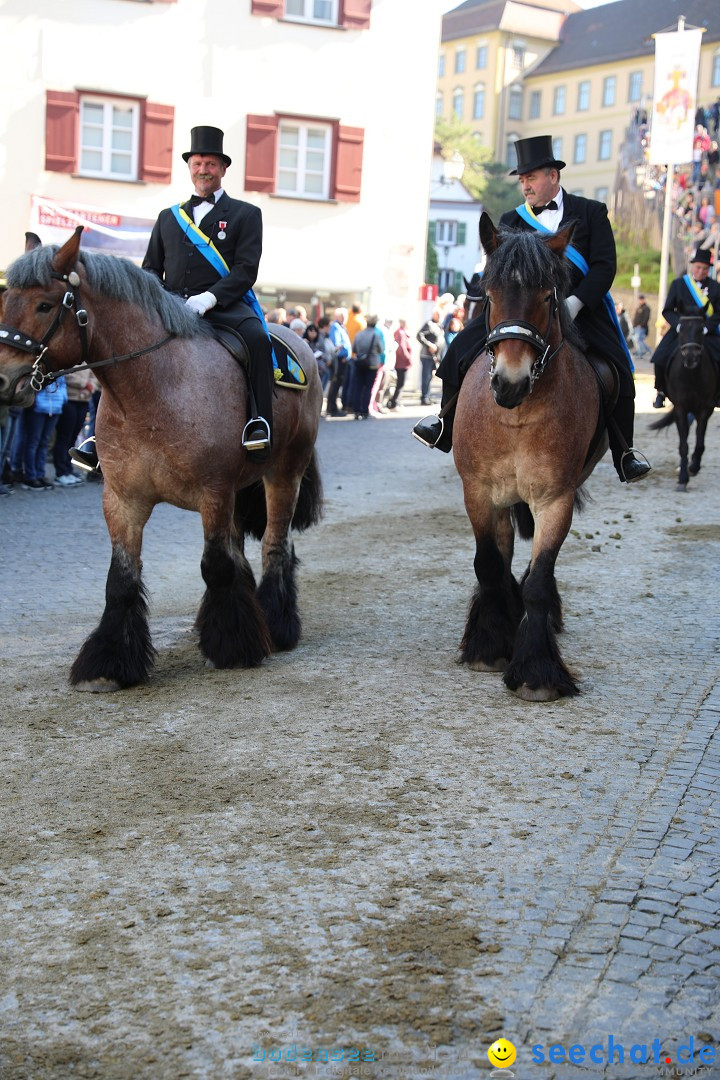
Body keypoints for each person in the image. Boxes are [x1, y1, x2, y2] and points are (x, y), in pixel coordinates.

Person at [413, 134, 651, 483]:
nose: (525, 186)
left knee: (617, 368)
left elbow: (604, 266)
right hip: (521, 308)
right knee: (462, 349)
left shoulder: (592, 212)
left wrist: (575, 301)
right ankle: (444, 422)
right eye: (522, 180)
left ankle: (624, 451)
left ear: (553, 176)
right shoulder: (514, 217)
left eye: (531, 178)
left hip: (581, 307)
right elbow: (498, 264)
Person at [650, 247, 720, 408]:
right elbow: (667, 310)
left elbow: (718, 312)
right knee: (660, 356)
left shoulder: (716, 287)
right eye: (698, 267)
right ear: (692, 266)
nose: (700, 271)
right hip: (682, 332)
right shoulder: (679, 284)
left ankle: (717, 393)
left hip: (704, 333)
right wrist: (679, 325)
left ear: (708, 270)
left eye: (704, 268)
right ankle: (660, 391)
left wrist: (707, 328)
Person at [351, 316, 384, 419]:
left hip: (360, 363)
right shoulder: (375, 335)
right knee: (368, 387)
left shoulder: (359, 334)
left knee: (358, 386)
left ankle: (356, 410)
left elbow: (354, 349)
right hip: (372, 364)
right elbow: (380, 350)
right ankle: (365, 411)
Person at [416, 308, 446, 406]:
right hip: (427, 356)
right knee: (426, 377)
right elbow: (419, 335)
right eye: (438, 315)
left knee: (430, 377)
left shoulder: (440, 326)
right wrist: (429, 345)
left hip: (435, 356)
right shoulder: (429, 324)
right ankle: (424, 397)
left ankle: (428, 396)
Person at [387, 319, 413, 409]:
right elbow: (401, 348)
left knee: (400, 383)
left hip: (401, 362)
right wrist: (408, 357)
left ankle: (396, 401)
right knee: (400, 383)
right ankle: (394, 402)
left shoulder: (402, 332)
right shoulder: (401, 333)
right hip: (402, 363)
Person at [631, 295, 653, 359]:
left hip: (641, 327)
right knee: (638, 340)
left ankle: (646, 351)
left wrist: (641, 325)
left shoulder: (646, 308)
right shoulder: (639, 307)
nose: (639, 301)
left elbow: (646, 318)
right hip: (636, 327)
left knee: (638, 340)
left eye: (641, 299)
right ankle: (640, 352)